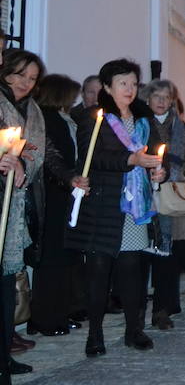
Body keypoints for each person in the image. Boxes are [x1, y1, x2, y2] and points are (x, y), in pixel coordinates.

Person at [67, 58, 165, 357]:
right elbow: (91, 159)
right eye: (123, 83)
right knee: (98, 273)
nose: (130, 89)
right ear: (107, 87)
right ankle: (94, 336)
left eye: (134, 83)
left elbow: (158, 154)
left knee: (132, 271)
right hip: (103, 207)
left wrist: (158, 172)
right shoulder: (93, 118)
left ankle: (133, 330)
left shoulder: (143, 118)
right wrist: (129, 161)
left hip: (134, 208)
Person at [141, 80, 185, 330]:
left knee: (166, 255)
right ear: (147, 99)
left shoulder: (181, 129)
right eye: (156, 96)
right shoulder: (140, 125)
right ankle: (140, 313)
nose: (160, 101)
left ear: (172, 101)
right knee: (144, 256)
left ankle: (162, 309)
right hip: (144, 197)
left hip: (173, 198)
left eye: (166, 97)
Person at [0, 50, 49, 374]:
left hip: (14, 206)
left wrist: (23, 164)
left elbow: (37, 151)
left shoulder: (32, 112)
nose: (25, 84)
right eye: (19, 75)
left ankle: (3, 355)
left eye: (31, 79)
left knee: (6, 283)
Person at [30, 75, 86, 340]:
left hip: (67, 194)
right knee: (52, 259)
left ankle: (61, 313)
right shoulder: (48, 119)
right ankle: (45, 317)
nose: (74, 100)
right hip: (54, 196)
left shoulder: (65, 119)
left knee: (65, 258)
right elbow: (52, 157)